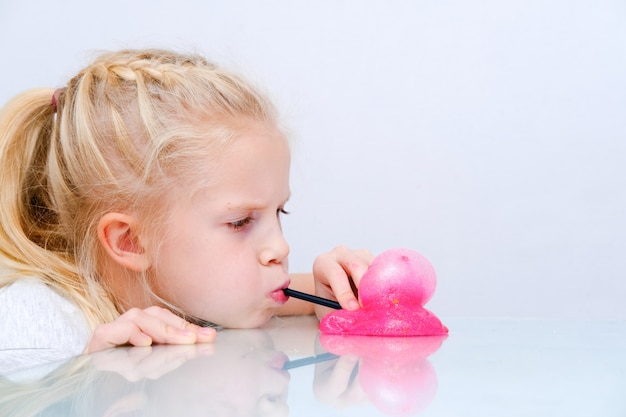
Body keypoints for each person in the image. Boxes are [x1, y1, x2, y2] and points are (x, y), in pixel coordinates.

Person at [0, 48, 372, 373]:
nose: (281, 249)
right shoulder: (32, 322)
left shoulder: (183, 292)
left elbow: (269, 296)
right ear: (131, 242)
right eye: (240, 221)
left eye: (280, 213)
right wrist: (89, 381)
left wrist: (336, 290)